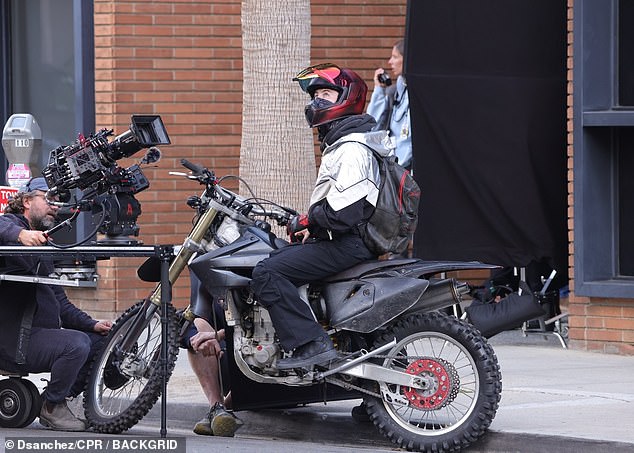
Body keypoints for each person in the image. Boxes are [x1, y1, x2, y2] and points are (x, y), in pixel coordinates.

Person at [249, 63, 392, 370]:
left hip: (349, 244)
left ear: (347, 97)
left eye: (326, 93)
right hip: (349, 240)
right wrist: (310, 225)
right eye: (314, 95)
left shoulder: (353, 148)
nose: (317, 102)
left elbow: (344, 214)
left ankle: (311, 343)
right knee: (283, 257)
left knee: (267, 273)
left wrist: (308, 220)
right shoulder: (347, 141)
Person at [0, 177, 112, 431]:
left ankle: (53, 399)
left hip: (36, 337)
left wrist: (93, 324)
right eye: (48, 198)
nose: (55, 205)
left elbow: (60, 302)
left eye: (58, 200)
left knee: (99, 342)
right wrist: (20, 234)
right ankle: (53, 408)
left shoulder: (42, 245)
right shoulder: (12, 228)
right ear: (27, 201)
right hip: (13, 341)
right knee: (76, 345)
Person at [180, 276, 243, 437]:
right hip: (234, 372)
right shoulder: (213, 304)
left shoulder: (261, 282)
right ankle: (217, 408)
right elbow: (184, 327)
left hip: (278, 378)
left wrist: (221, 335)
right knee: (197, 334)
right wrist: (205, 335)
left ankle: (223, 408)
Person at [367, 39, 412, 171]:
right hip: (393, 169)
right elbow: (372, 126)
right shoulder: (394, 92)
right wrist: (379, 90)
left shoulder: (418, 93)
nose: (390, 62)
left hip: (408, 171)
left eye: (395, 57)